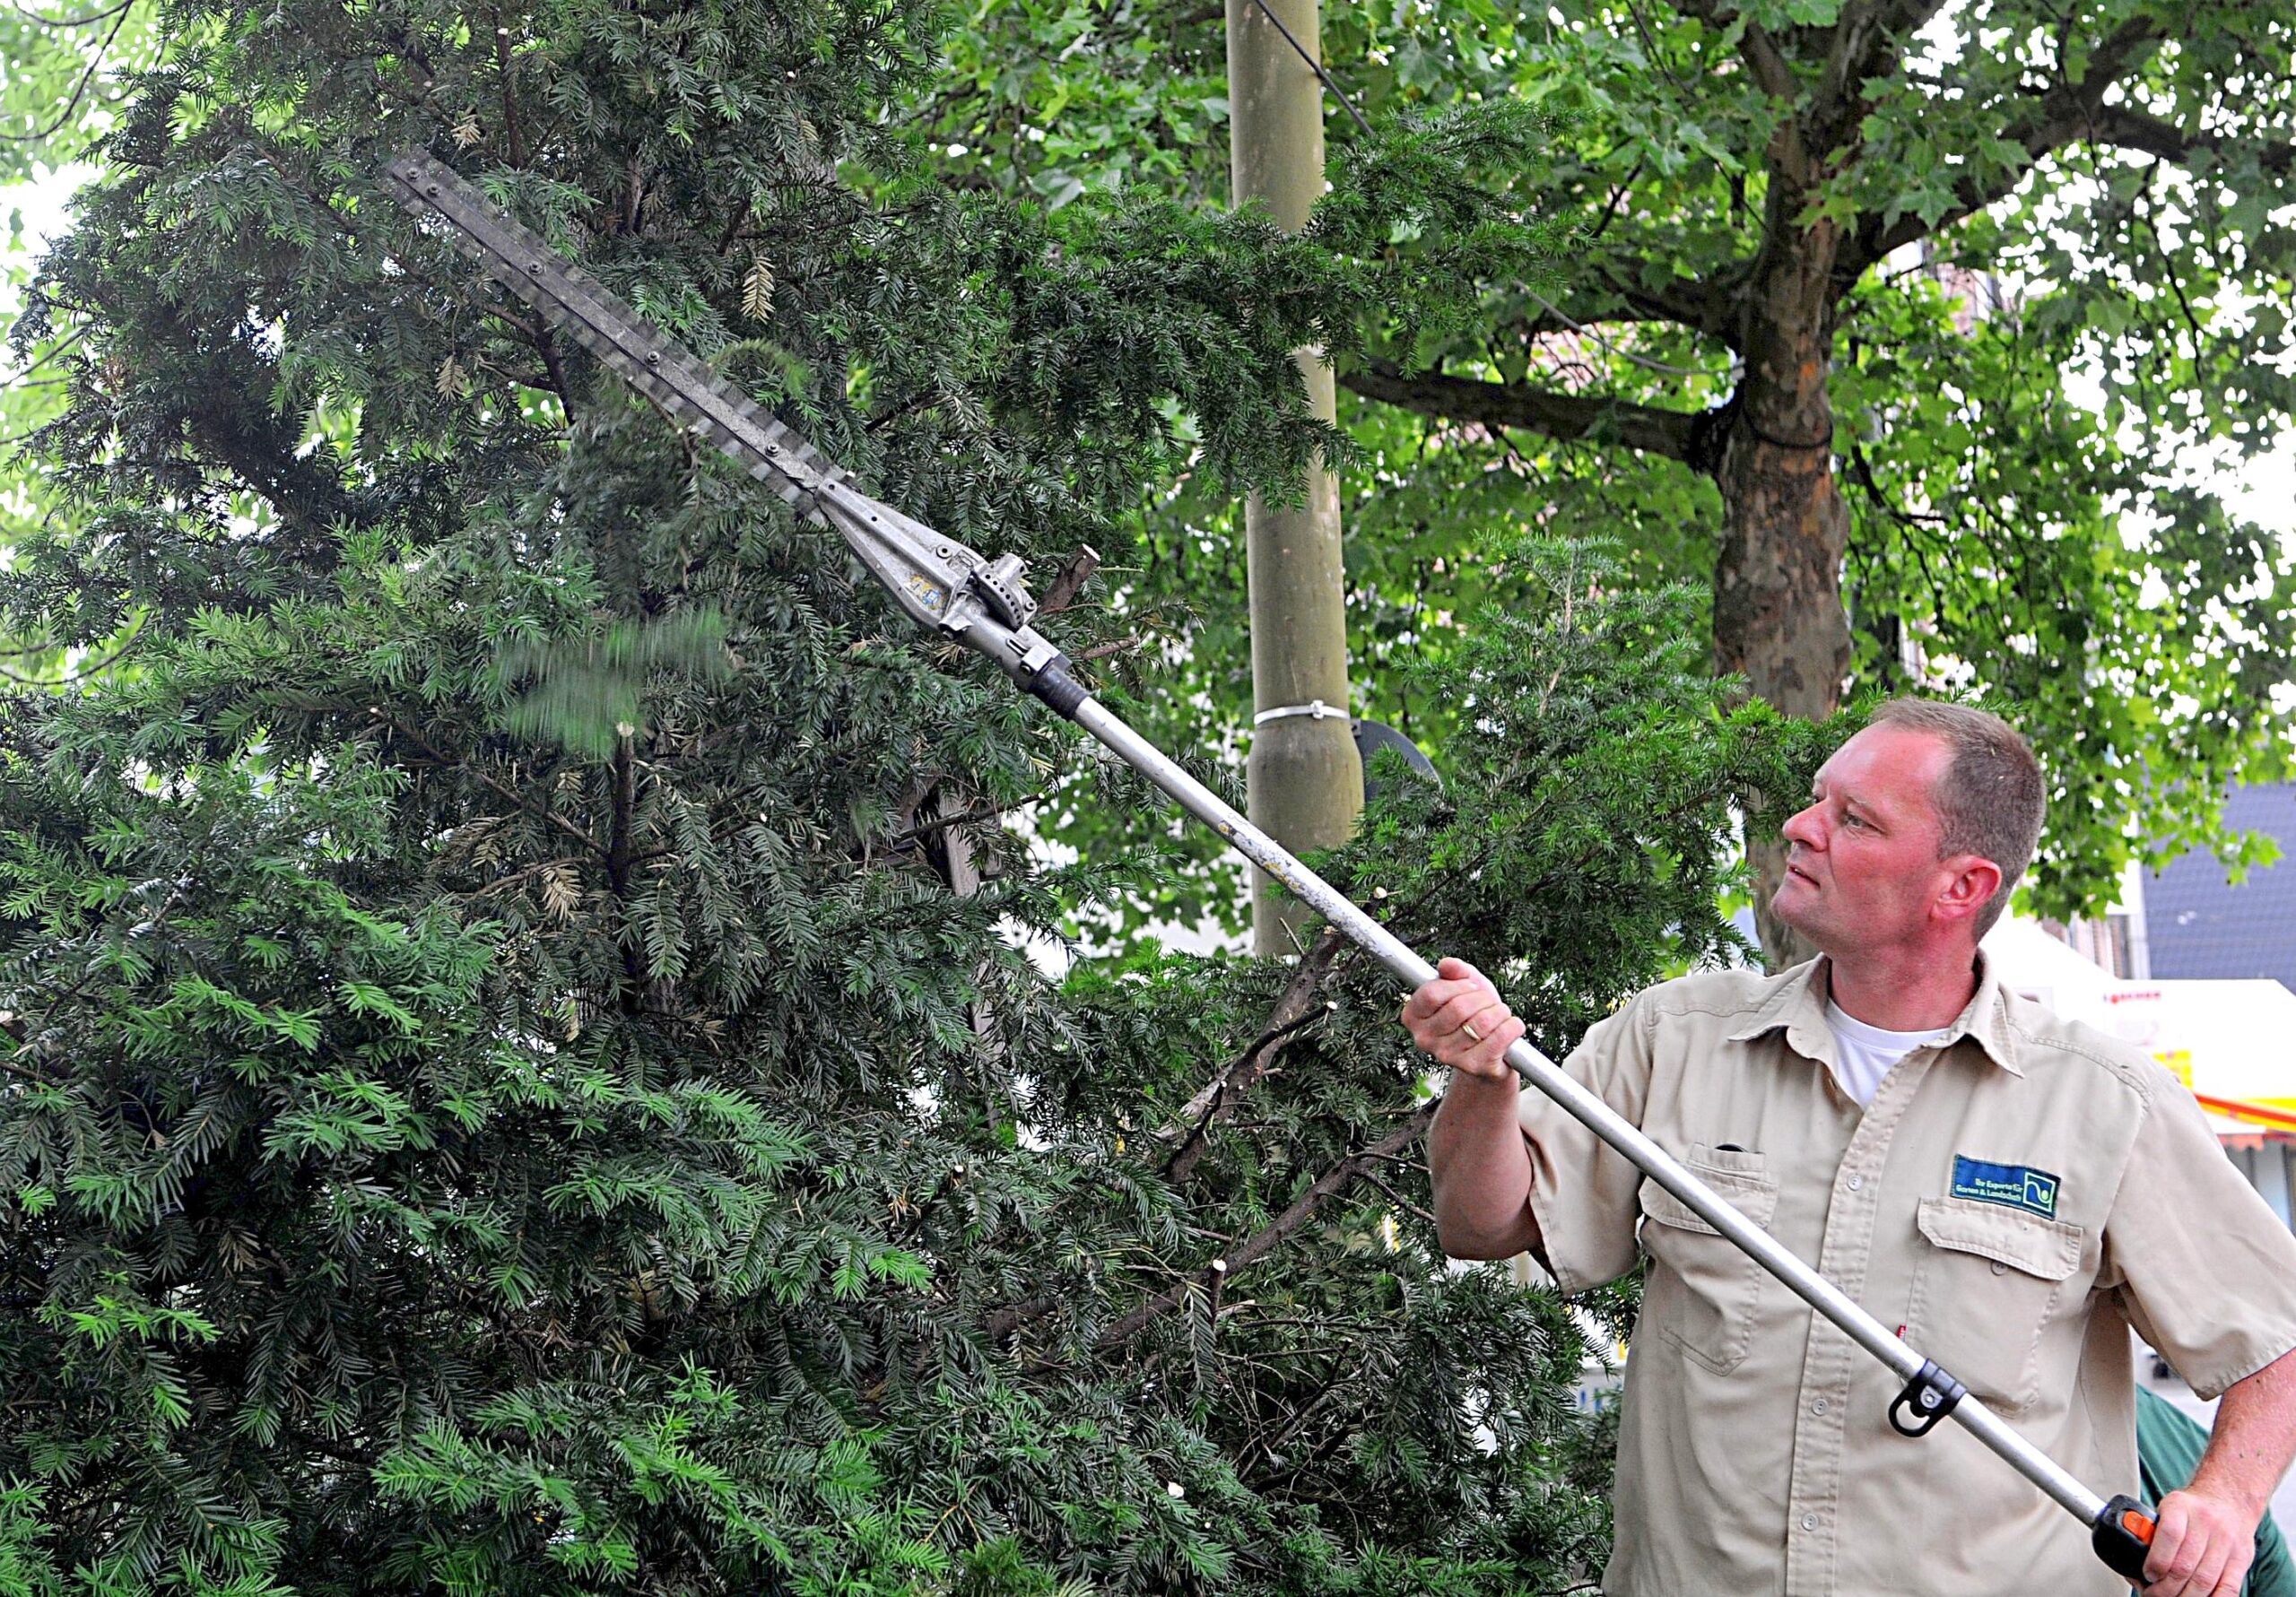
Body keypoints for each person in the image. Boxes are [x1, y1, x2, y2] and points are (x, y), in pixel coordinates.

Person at [1405, 699, 2296, 1597]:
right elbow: (1482, 1224)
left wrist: (2223, 1502)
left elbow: (2278, 1336)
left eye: (1853, 818)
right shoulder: (1672, 1040)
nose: (1799, 826)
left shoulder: (2101, 1101)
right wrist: (1485, 1079)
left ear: (1960, 886)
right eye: (1815, 799)